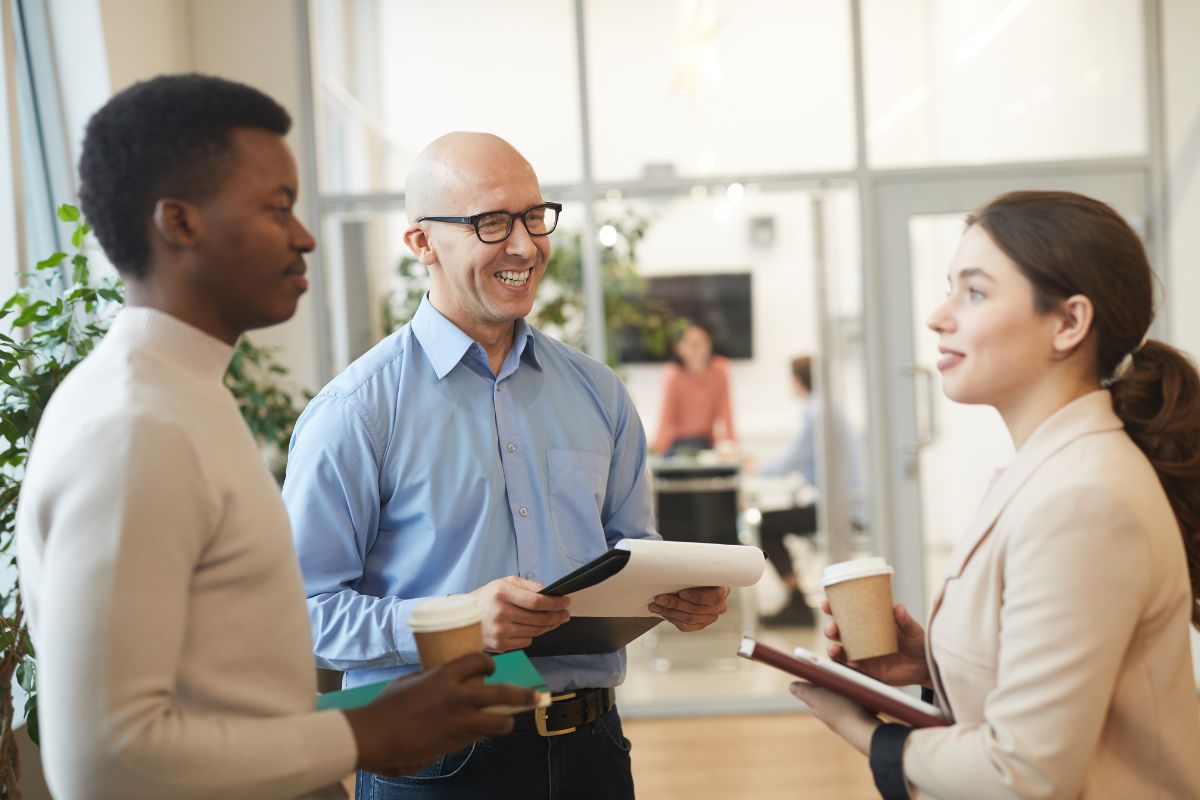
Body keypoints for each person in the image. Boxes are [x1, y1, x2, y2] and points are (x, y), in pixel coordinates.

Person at [15, 75, 536, 800]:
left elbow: (226, 682)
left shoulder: (183, 395)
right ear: (180, 223)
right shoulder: (133, 428)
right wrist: (364, 733)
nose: (305, 236)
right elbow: (104, 761)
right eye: (278, 208)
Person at [283, 131, 731, 800]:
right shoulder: (355, 412)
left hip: (592, 751)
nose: (524, 245)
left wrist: (672, 593)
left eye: (533, 216)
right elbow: (304, 614)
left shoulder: (597, 393)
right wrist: (456, 625)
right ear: (422, 244)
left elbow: (630, 551)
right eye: (491, 222)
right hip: (434, 762)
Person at [790, 191, 1200, 799]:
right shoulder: (1048, 470)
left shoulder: (1084, 498)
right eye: (950, 287)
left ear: (1068, 323)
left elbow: (1027, 772)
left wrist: (866, 732)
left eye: (974, 293)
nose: (938, 316)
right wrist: (929, 664)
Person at [756, 355, 865, 627]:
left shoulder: (817, 411)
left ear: (797, 380)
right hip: (845, 502)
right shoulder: (827, 408)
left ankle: (797, 603)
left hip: (842, 508)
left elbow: (794, 458)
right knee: (773, 521)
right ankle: (796, 601)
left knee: (766, 524)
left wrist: (755, 468)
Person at [653, 323, 737, 455]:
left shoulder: (720, 371)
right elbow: (666, 417)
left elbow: (726, 412)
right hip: (678, 443)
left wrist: (732, 445)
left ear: (709, 345)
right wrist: (657, 451)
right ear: (679, 348)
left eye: (700, 342)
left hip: (706, 442)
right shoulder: (673, 375)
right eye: (690, 343)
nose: (696, 347)